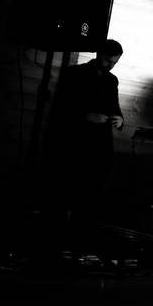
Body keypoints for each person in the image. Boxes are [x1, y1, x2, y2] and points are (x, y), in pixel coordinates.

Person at [45, 38, 125, 262]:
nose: (111, 66)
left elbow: (114, 107)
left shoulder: (112, 81)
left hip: (99, 149)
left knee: (89, 203)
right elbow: (60, 109)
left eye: (115, 62)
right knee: (62, 199)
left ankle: (78, 250)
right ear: (99, 55)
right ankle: (53, 251)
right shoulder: (74, 74)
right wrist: (85, 116)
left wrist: (119, 119)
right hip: (73, 148)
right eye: (109, 61)